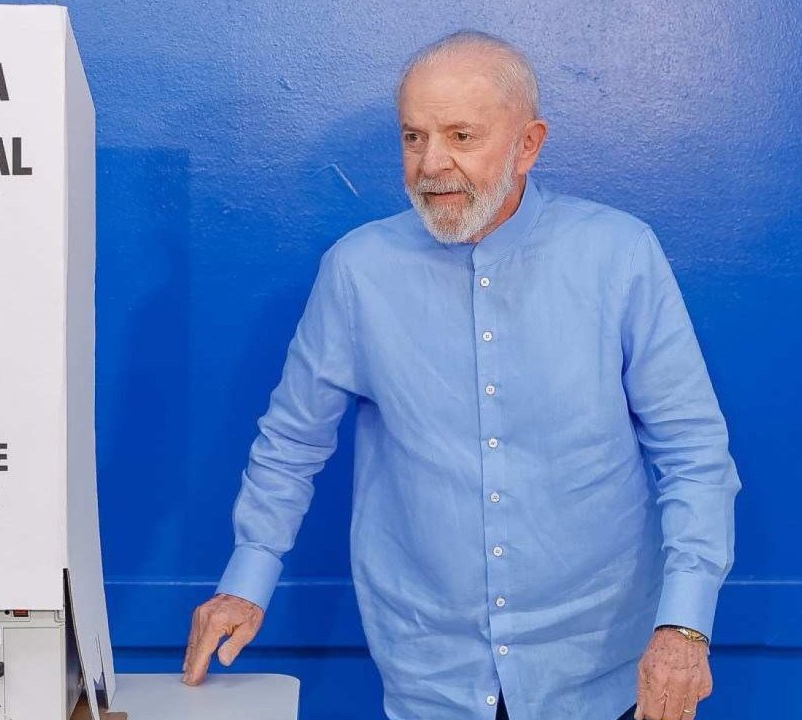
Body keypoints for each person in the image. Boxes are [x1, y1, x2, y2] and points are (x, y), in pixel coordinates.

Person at [180, 30, 740, 720]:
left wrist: (684, 627)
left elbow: (692, 452)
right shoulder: (358, 271)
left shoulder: (619, 256)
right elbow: (293, 441)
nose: (431, 164)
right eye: (413, 138)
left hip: (600, 669)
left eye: (461, 136)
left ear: (528, 144)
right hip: (429, 670)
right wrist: (247, 580)